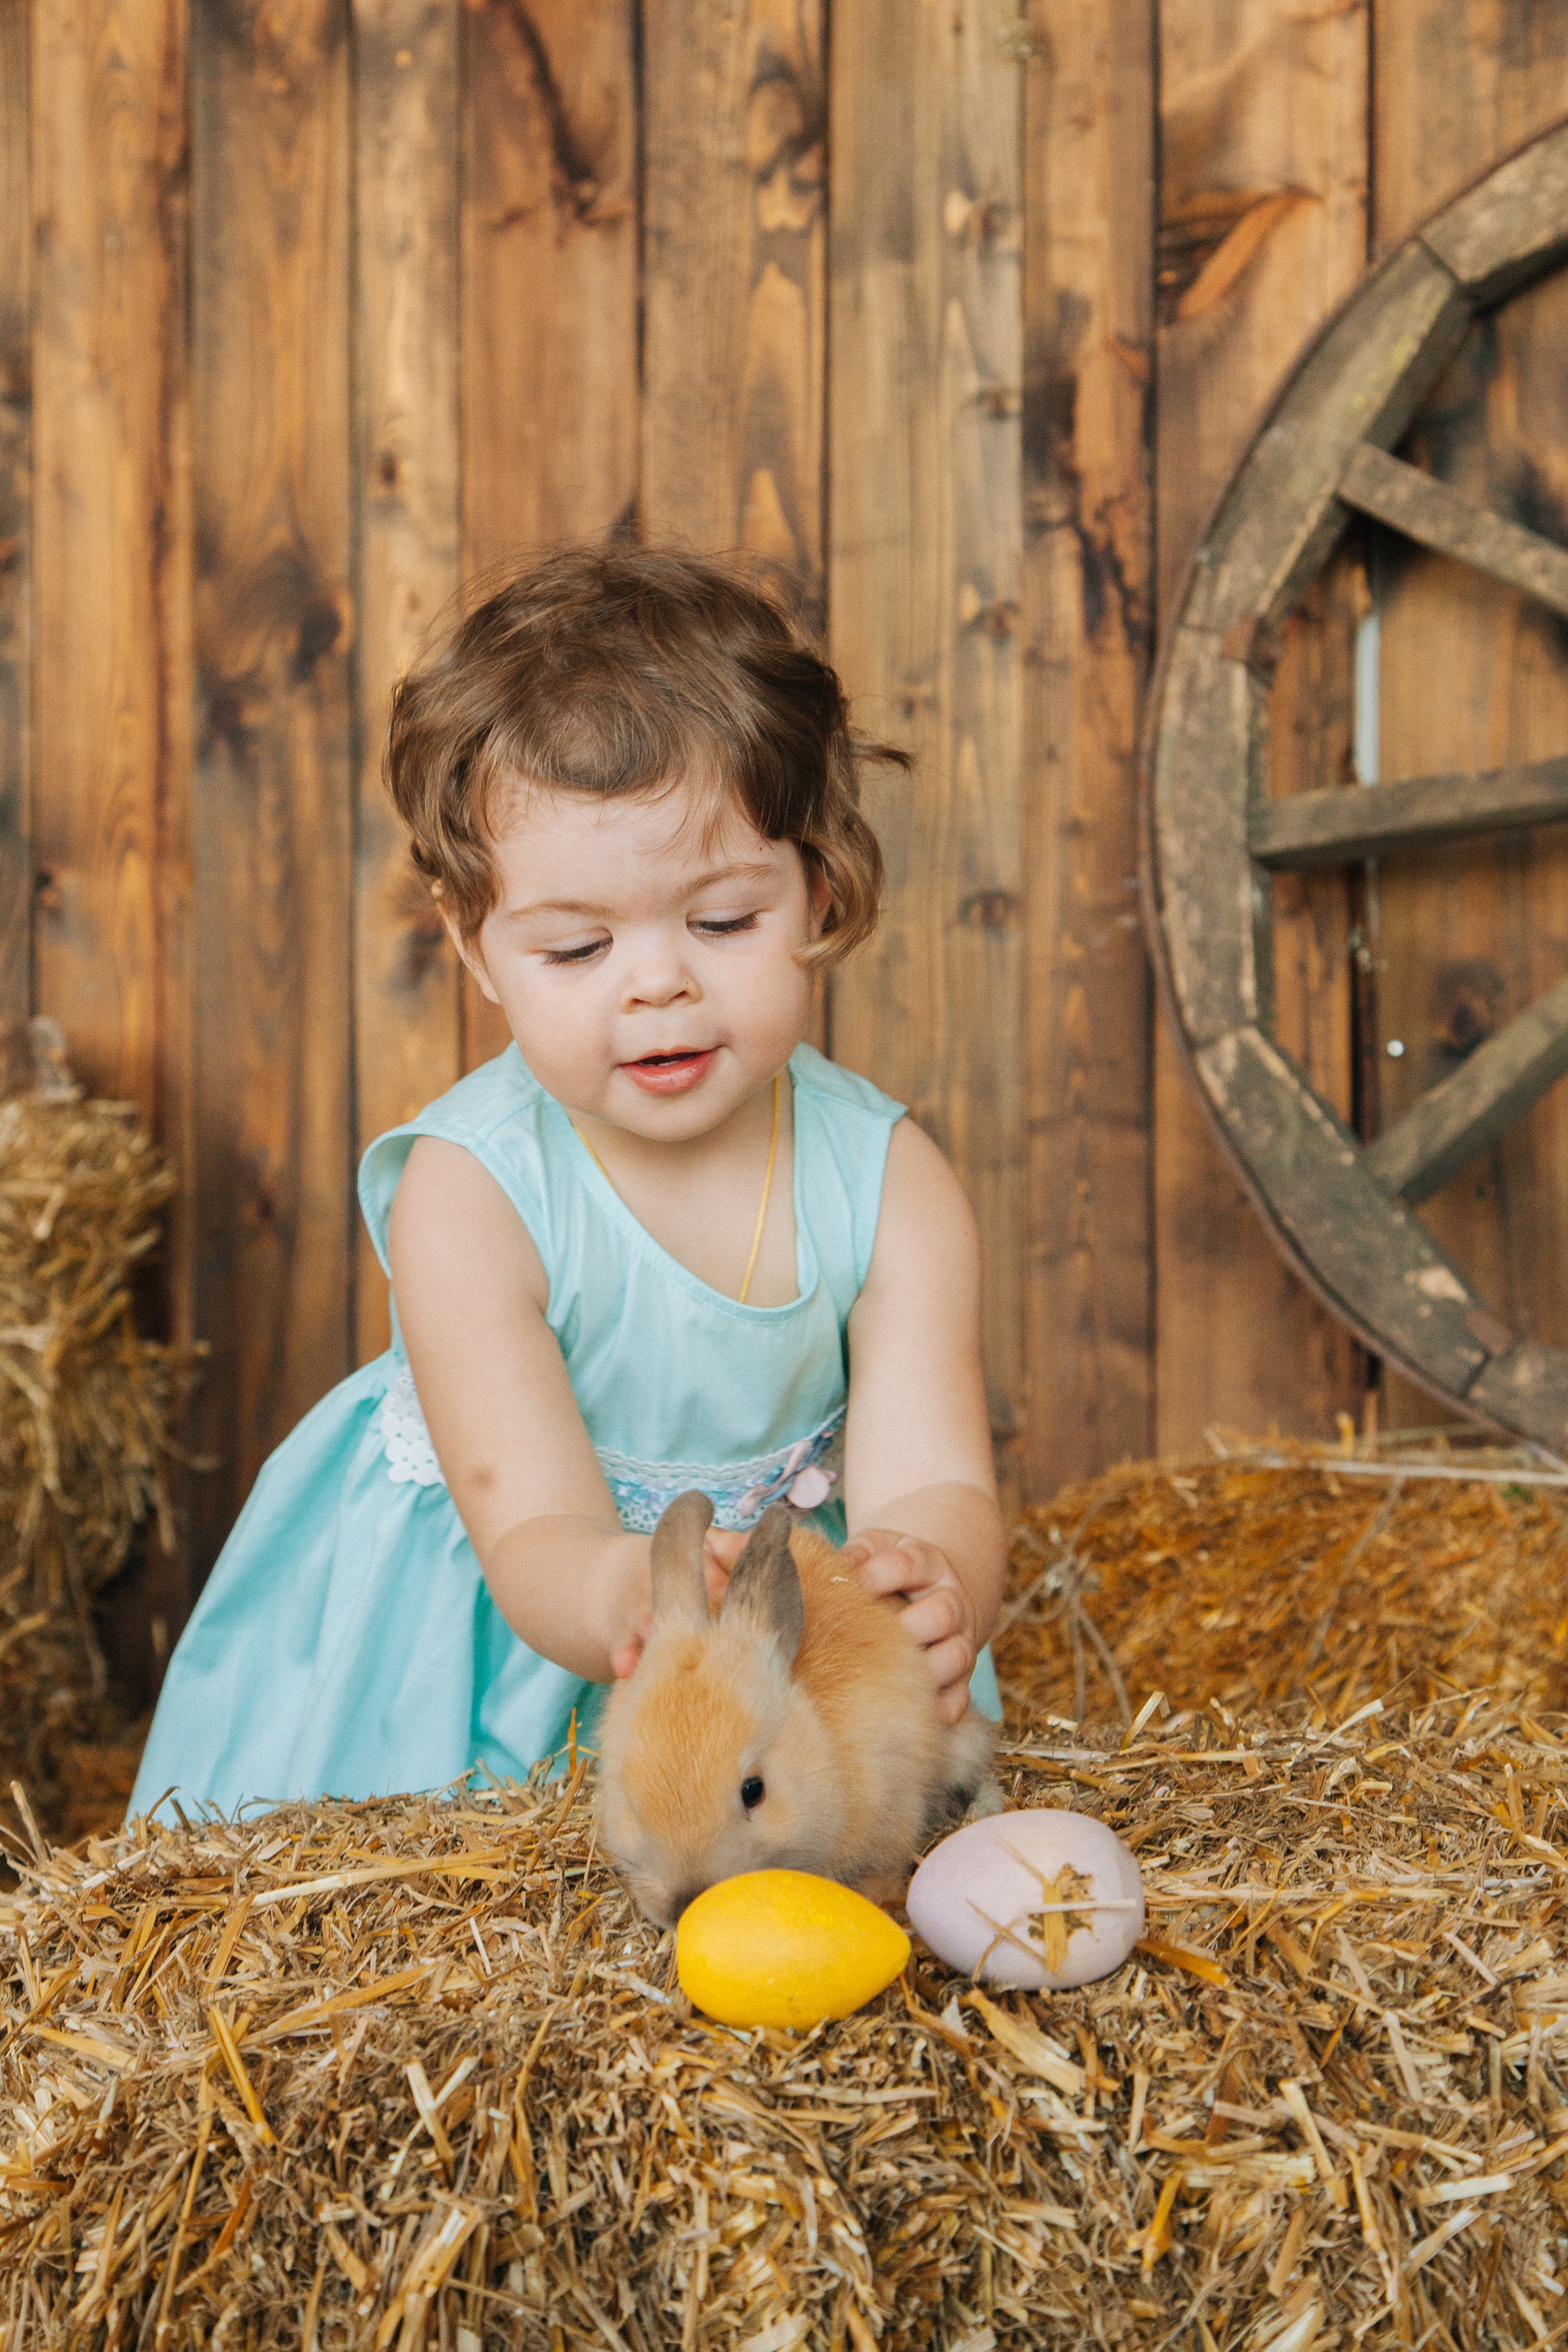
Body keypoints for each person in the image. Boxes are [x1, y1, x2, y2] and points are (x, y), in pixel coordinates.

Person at [129, 549, 1007, 1821]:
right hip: (493, 1640)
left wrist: (935, 1582)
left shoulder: (889, 1181)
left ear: (818, 885)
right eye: (579, 946)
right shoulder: (472, 1193)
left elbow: (935, 1474)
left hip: (774, 1659)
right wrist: (626, 1601)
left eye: (721, 923)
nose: (655, 985)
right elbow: (534, 1534)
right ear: (476, 948)